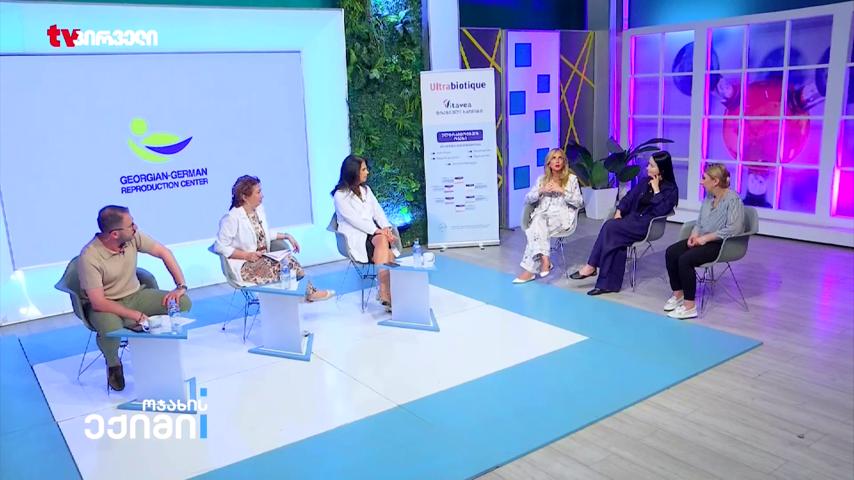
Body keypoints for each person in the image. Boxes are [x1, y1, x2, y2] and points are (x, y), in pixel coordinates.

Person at [78, 205, 192, 391]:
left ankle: (153, 350)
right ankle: (113, 363)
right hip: (106, 305)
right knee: (112, 328)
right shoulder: (89, 257)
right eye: (131, 225)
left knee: (183, 302)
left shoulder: (132, 237)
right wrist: (135, 315)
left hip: (135, 295)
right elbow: (98, 302)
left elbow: (163, 252)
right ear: (115, 234)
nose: (135, 227)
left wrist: (180, 286)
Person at [570, 151, 679, 295]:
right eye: (648, 164)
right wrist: (619, 210)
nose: (647, 168)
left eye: (651, 166)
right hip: (631, 220)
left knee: (610, 227)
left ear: (662, 169)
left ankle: (591, 266)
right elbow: (629, 197)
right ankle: (607, 285)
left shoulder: (671, 190)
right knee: (615, 238)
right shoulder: (644, 181)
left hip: (646, 225)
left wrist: (657, 190)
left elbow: (661, 211)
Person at [214, 175, 333, 302]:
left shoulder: (258, 210)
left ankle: (307, 293)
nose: (262, 195)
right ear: (244, 197)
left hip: (263, 258)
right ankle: (297, 298)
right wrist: (247, 255)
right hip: (245, 265)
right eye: (258, 192)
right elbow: (219, 247)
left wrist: (287, 236)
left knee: (290, 261)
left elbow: (263, 234)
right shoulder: (232, 218)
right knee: (281, 269)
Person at [663, 163, 745, 319]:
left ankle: (689, 306)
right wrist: (694, 235)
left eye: (704, 178)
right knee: (671, 252)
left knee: (685, 259)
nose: (701, 182)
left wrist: (705, 238)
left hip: (721, 244)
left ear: (715, 181)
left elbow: (734, 229)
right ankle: (678, 294)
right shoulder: (708, 197)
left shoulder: (732, 199)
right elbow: (699, 222)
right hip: (702, 239)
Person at [331, 155, 400, 310]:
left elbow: (378, 212)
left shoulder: (366, 190)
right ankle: (386, 292)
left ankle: (384, 293)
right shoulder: (340, 195)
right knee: (387, 249)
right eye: (363, 169)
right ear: (353, 172)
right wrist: (378, 231)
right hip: (355, 238)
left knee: (383, 240)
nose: (367, 172)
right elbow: (354, 220)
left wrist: (387, 229)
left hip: (373, 235)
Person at [513, 148, 583, 283]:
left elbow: (579, 202)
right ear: (548, 163)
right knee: (538, 221)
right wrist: (541, 191)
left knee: (534, 230)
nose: (557, 161)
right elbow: (527, 199)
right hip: (542, 215)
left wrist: (562, 191)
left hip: (561, 218)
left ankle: (530, 271)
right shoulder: (541, 180)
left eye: (560, 158)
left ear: (564, 162)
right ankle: (545, 259)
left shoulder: (571, 179)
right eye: (553, 158)